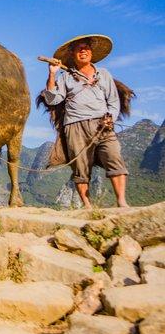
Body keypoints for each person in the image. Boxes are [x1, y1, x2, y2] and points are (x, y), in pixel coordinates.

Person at [42, 34, 129, 208]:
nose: (83, 51)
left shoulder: (103, 74)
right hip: (75, 126)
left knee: (114, 156)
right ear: (73, 54)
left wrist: (110, 116)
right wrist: (52, 74)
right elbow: (53, 99)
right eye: (79, 49)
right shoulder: (66, 77)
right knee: (80, 166)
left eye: (86, 48)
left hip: (103, 124)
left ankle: (121, 201)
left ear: (91, 52)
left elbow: (113, 101)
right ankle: (87, 205)